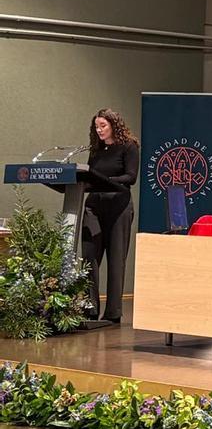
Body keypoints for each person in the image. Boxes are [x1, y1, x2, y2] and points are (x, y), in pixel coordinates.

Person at [81, 108, 140, 323]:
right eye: (96, 127)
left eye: (103, 126)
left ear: (114, 125)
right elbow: (89, 173)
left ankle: (113, 313)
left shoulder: (129, 146)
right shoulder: (96, 150)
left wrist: (107, 179)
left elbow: (131, 177)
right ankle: (90, 308)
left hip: (118, 206)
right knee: (89, 256)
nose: (99, 130)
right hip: (94, 205)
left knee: (116, 259)